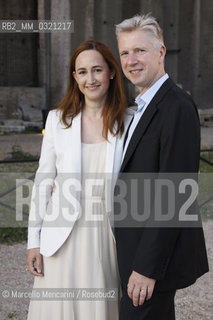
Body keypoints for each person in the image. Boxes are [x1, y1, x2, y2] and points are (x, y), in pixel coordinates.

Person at [26, 40, 133, 320]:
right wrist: (33, 242)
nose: (90, 79)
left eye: (97, 70)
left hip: (106, 236)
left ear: (111, 72)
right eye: (82, 72)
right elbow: (43, 182)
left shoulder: (130, 120)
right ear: (74, 77)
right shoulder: (58, 120)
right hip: (61, 236)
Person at [114, 13, 209, 320]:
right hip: (132, 250)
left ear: (161, 52)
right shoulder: (139, 106)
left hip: (149, 261)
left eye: (140, 50)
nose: (132, 60)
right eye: (125, 52)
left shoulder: (176, 107)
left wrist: (146, 268)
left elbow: (174, 194)